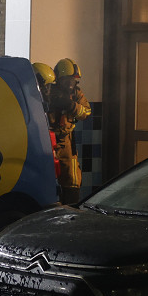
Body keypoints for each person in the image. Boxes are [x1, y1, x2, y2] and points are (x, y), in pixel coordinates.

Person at [48, 58, 91, 205]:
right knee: (44, 175)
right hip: (48, 140)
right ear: (59, 79)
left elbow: (86, 112)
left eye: (73, 80)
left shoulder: (76, 94)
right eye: (67, 80)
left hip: (66, 141)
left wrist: (71, 105)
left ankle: (70, 208)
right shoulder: (48, 91)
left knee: (72, 179)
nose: (70, 84)